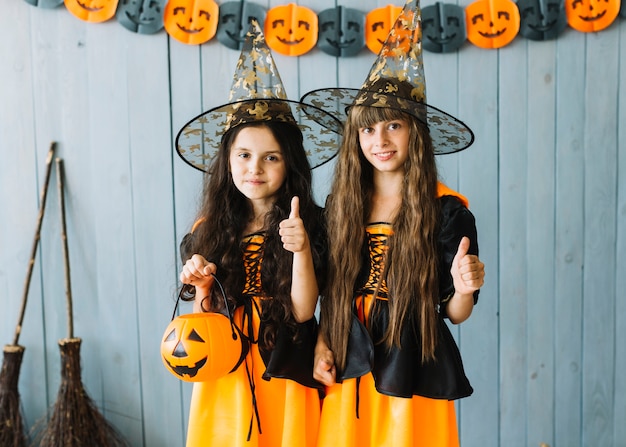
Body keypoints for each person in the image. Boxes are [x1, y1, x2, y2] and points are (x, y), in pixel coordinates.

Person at [300, 1, 485, 446]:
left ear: (414, 132)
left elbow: (456, 315)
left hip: (413, 361)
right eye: (367, 130)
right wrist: (324, 342)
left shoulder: (447, 212)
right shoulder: (342, 206)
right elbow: (330, 290)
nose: (378, 141)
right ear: (355, 137)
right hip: (350, 353)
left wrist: (463, 288)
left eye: (392, 126)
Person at [171, 21, 342, 447]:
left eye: (271, 158)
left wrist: (300, 248)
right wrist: (200, 281)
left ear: (290, 166)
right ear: (227, 161)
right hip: (225, 360)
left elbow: (303, 312)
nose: (255, 169)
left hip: (284, 358)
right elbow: (206, 317)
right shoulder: (207, 231)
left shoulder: (315, 224)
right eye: (244, 155)